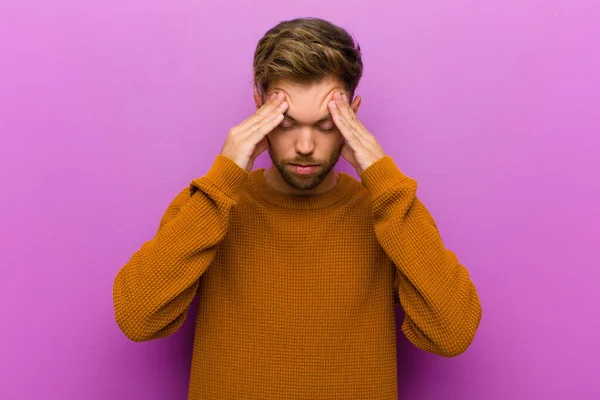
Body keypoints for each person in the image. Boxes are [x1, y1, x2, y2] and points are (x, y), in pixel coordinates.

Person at [112, 17, 482, 400]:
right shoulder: (213, 202)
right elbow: (138, 318)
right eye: (286, 124)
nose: (304, 145)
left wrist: (382, 178)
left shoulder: (386, 210)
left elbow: (452, 332)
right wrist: (224, 176)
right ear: (259, 107)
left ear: (352, 114)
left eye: (326, 126)